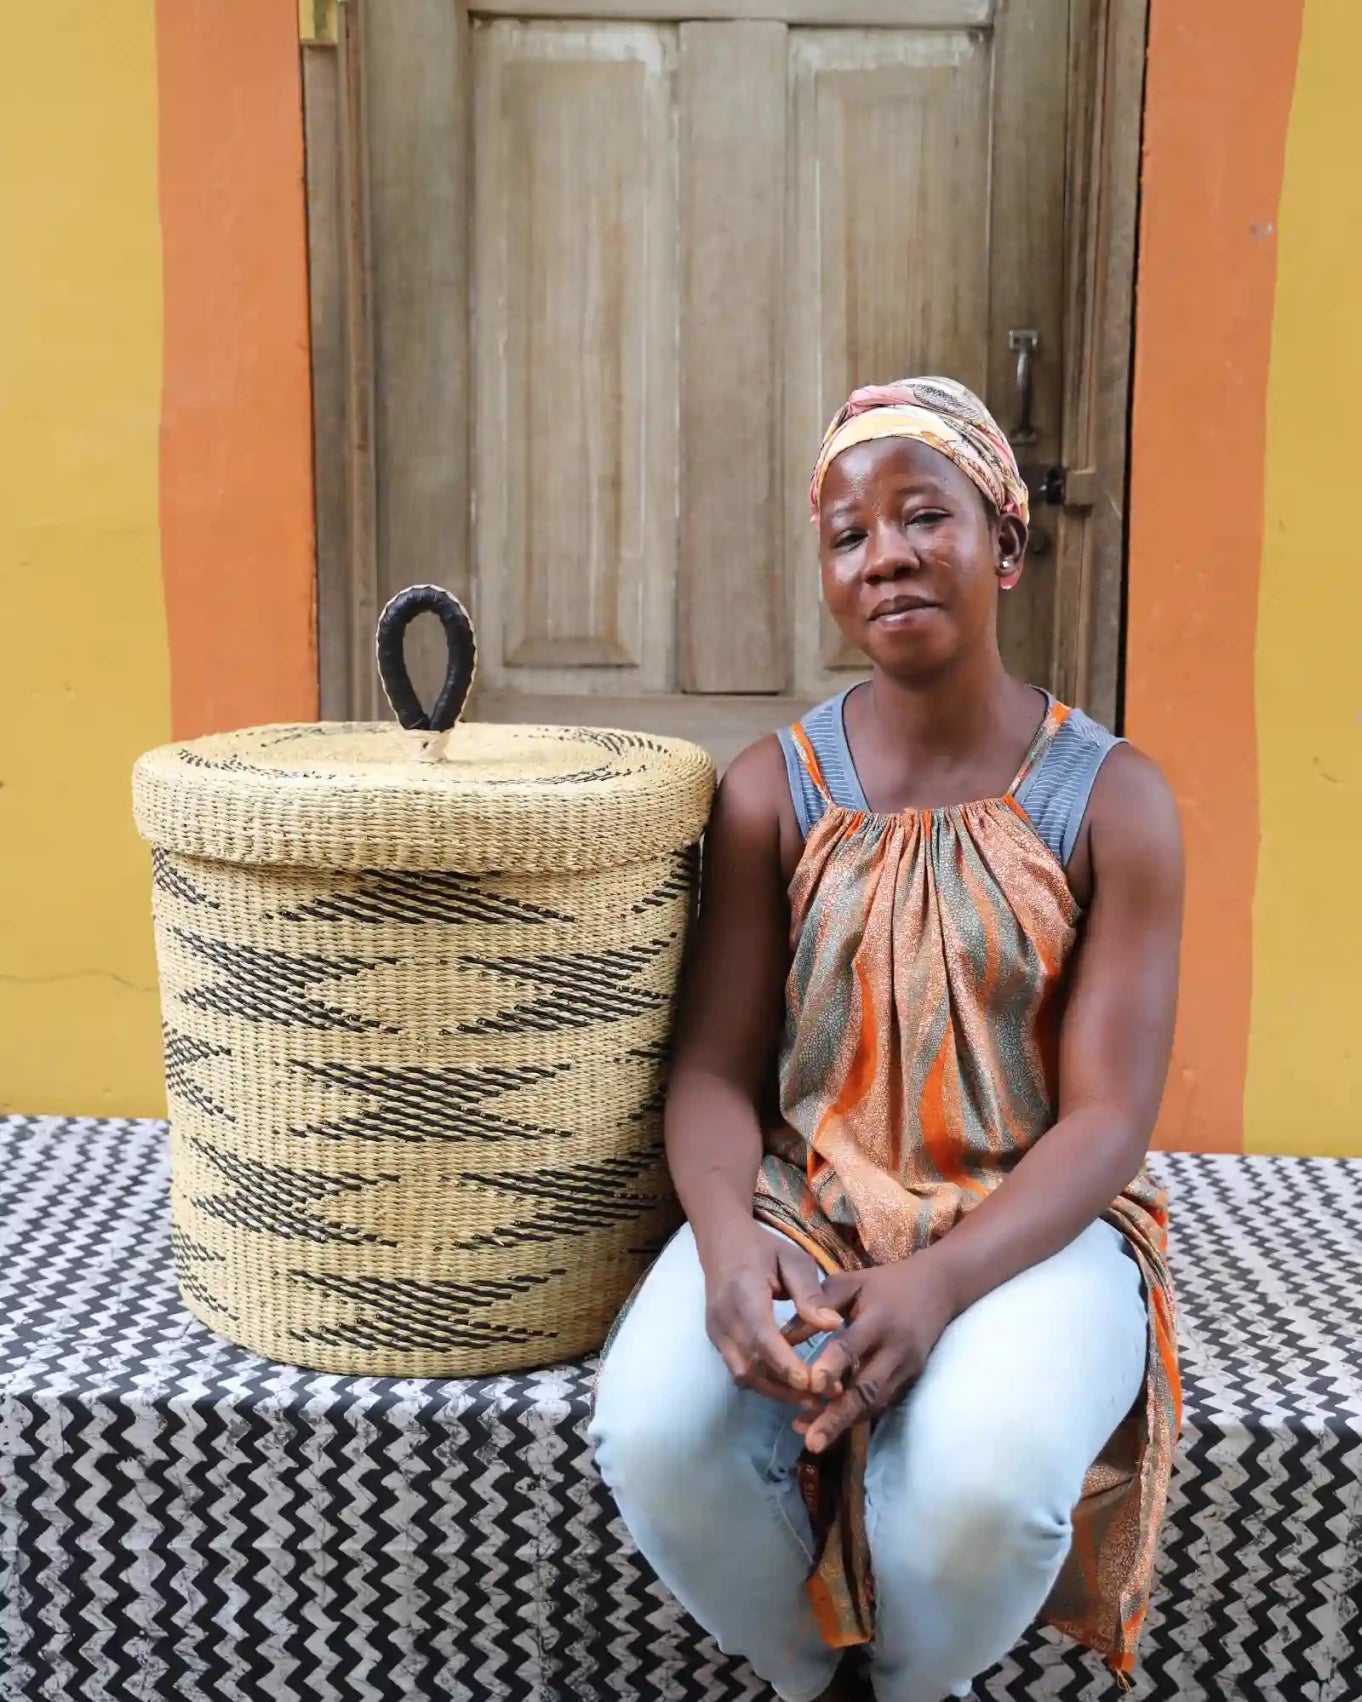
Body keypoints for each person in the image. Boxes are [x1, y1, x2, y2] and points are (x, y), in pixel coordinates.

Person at [589, 377, 1183, 1702]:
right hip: (806, 1201)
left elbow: (1106, 1118)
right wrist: (728, 1245)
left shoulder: (1111, 801)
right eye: (848, 535)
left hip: (1032, 1215)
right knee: (658, 1437)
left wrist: (941, 1283)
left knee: (983, 1495)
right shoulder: (776, 790)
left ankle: (909, 1684)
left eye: (924, 516)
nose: (886, 555)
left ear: (1007, 546)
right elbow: (713, 1067)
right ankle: (820, 1679)